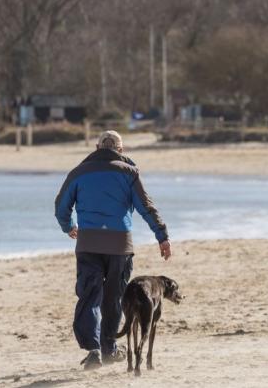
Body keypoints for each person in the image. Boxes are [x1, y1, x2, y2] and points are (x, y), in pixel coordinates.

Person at [55, 130, 171, 370]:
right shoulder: (129, 173)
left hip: (88, 244)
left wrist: (69, 226)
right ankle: (109, 348)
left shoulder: (79, 172)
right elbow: (146, 207)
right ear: (121, 150)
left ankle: (94, 349)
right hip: (120, 245)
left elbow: (60, 206)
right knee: (114, 298)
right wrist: (162, 236)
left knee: (89, 296)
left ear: (97, 147)